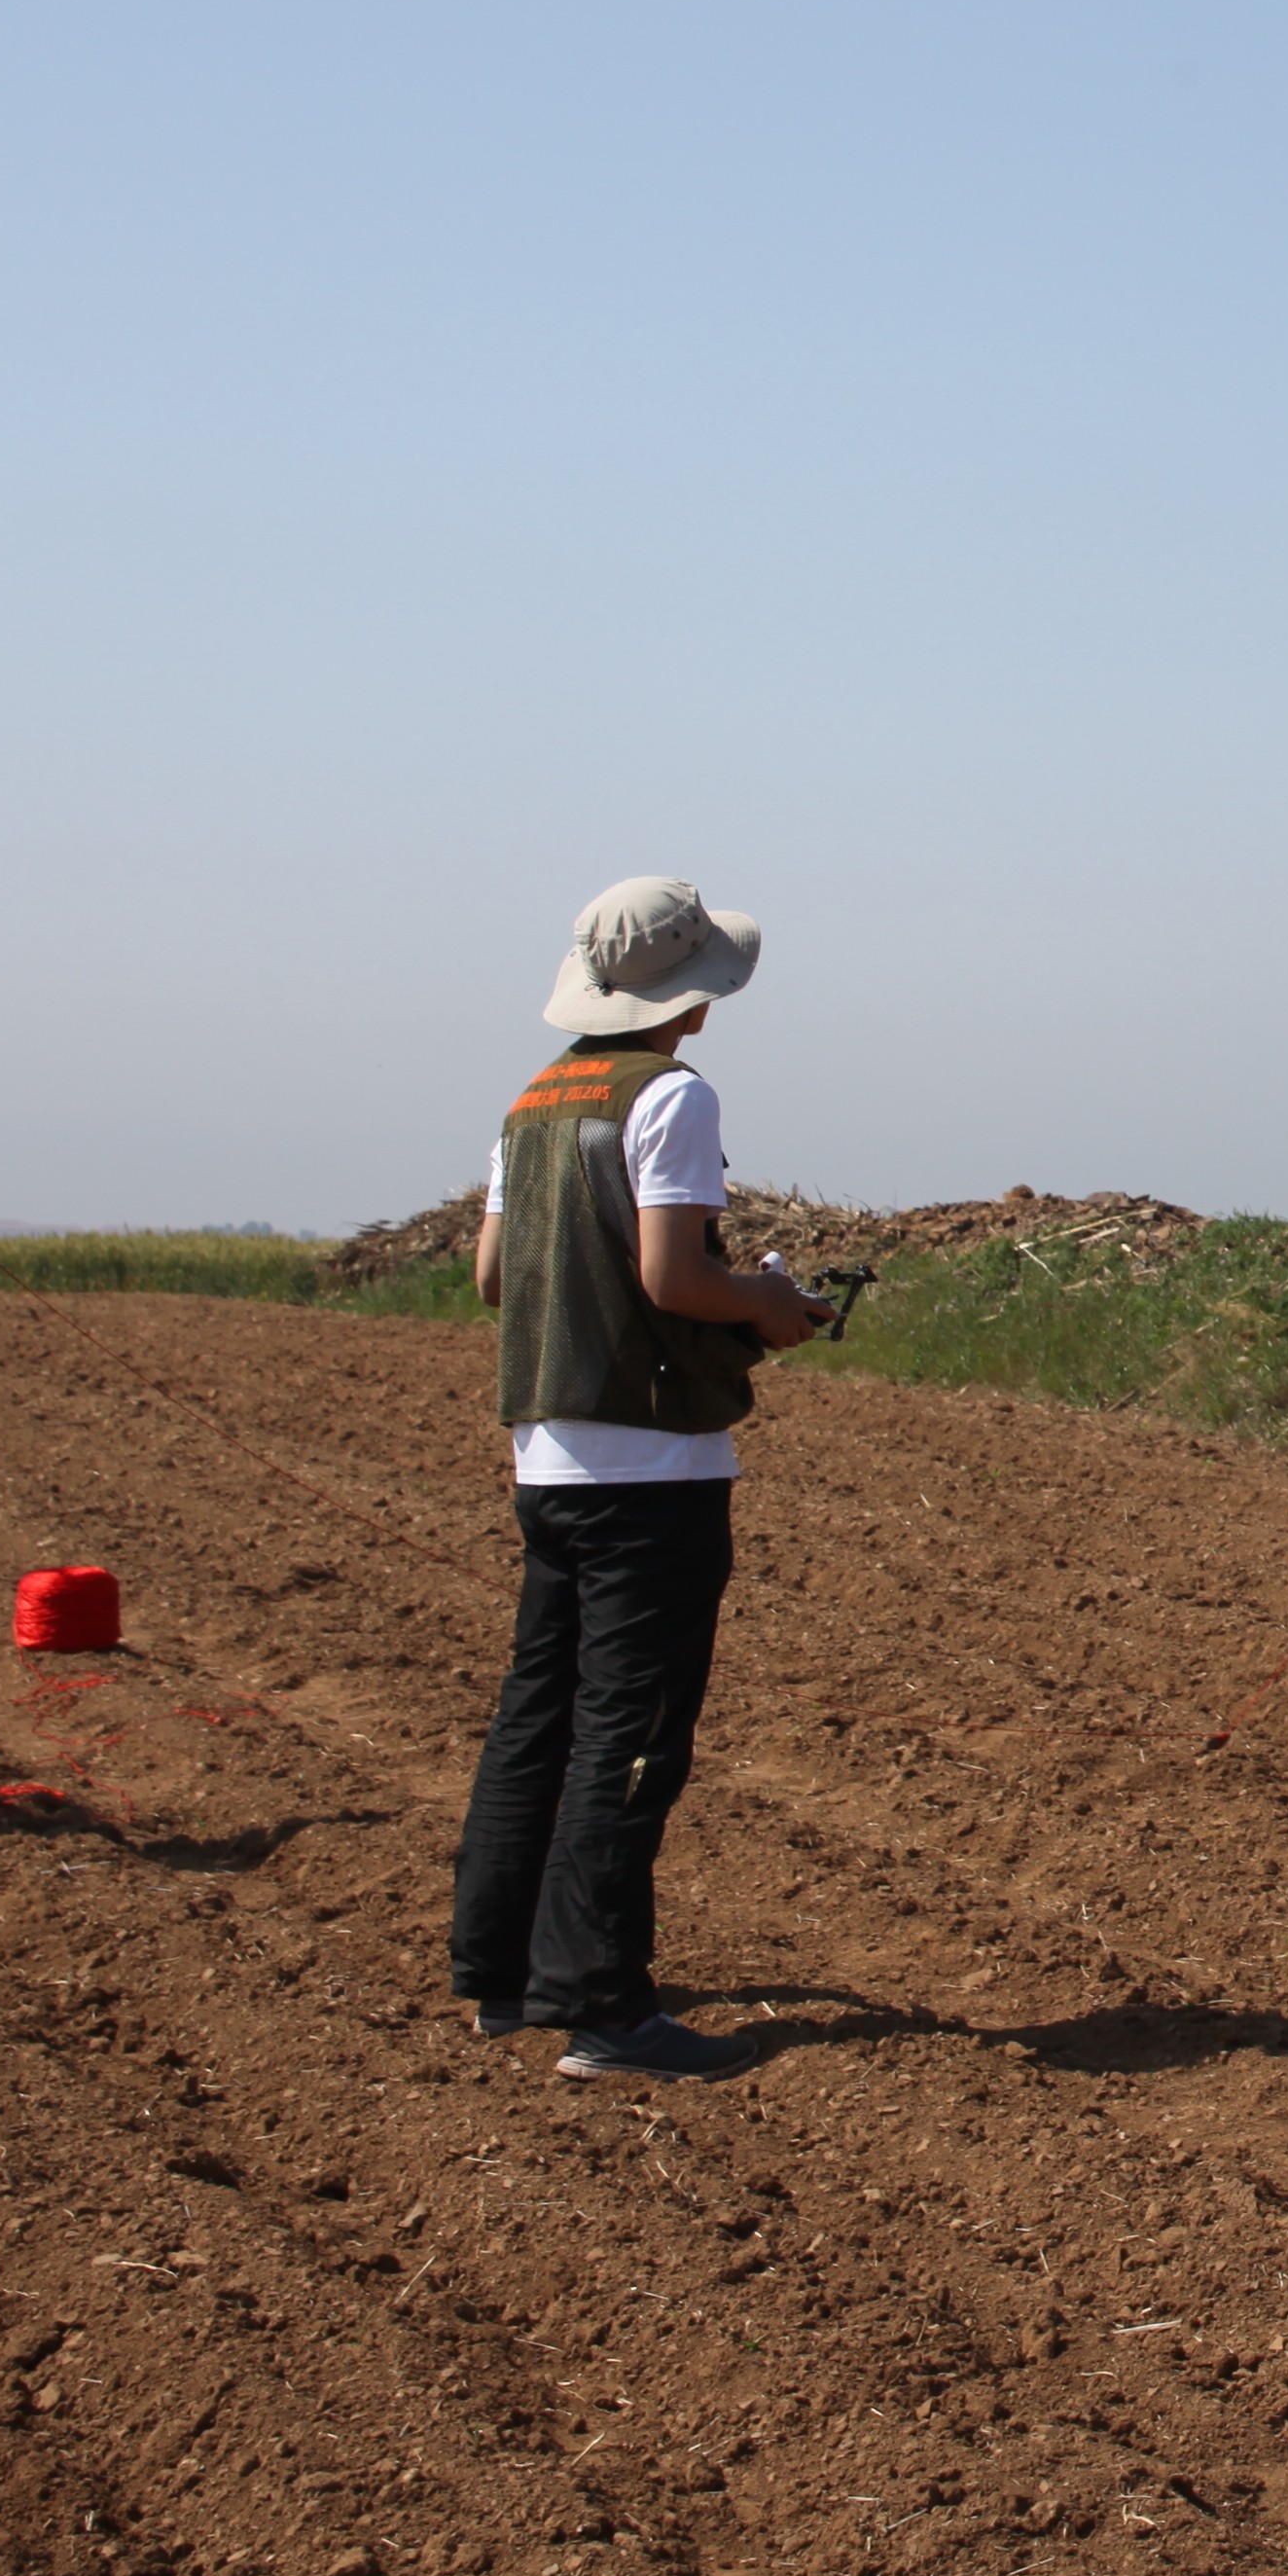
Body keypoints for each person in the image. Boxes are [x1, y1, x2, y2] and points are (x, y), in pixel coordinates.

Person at [453, 876, 826, 2087]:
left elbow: (493, 1279)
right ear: (689, 995)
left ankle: (502, 1978)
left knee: (537, 1713)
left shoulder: (534, 1102)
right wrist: (771, 1305)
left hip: (546, 1459)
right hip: (653, 1463)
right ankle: (602, 2005)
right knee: (631, 1733)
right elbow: (676, 1278)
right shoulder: (672, 1096)